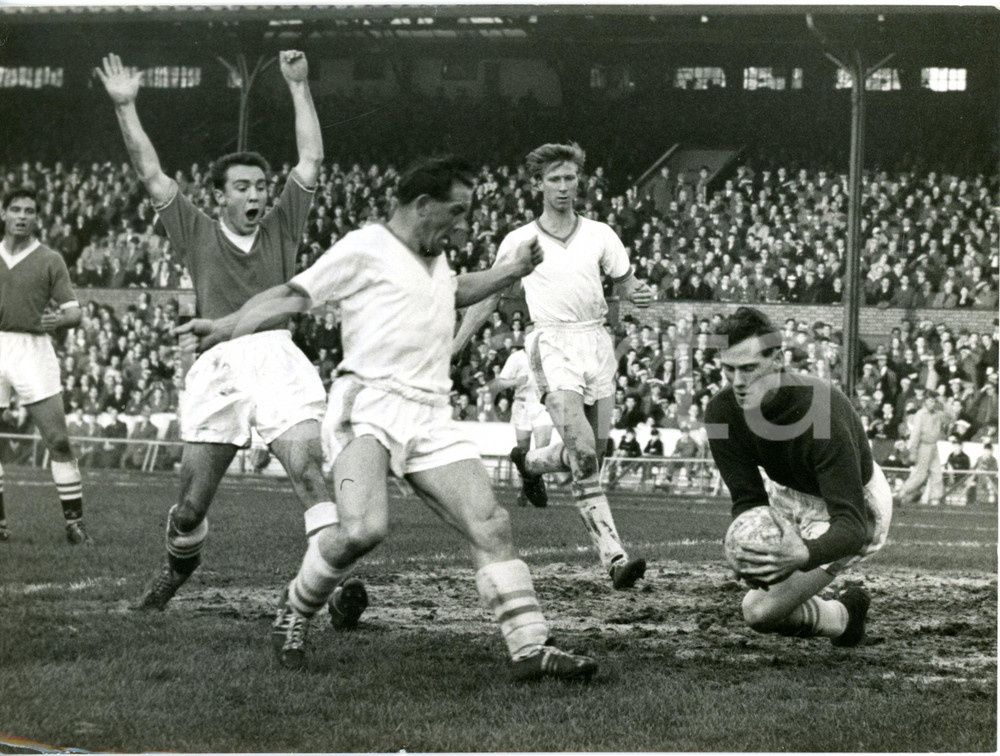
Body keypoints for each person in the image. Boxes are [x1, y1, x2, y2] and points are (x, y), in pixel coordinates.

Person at [175, 156, 598, 680]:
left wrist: (510, 271)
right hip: (366, 411)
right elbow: (291, 294)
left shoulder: (433, 255)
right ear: (422, 207)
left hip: (428, 413)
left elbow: (452, 290)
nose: (465, 224)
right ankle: (295, 607)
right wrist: (228, 324)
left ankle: (530, 648)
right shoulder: (365, 248)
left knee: (491, 521)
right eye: (457, 212)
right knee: (362, 529)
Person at [97, 51, 352, 612]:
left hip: (279, 357)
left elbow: (310, 157)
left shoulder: (284, 222)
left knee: (310, 471)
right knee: (189, 508)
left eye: (261, 185)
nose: (257, 195)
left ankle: (328, 586)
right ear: (220, 195)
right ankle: (174, 572)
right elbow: (149, 171)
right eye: (243, 187)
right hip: (220, 363)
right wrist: (126, 107)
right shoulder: (195, 230)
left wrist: (299, 85)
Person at [454, 142, 651, 591]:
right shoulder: (521, 242)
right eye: (554, 179)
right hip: (551, 341)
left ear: (579, 180)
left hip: (597, 341)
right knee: (583, 452)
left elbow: (626, 282)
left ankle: (530, 463)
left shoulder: (602, 234)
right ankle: (615, 559)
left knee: (592, 455)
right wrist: (458, 342)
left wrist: (639, 293)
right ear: (538, 185)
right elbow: (488, 294)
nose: (563, 186)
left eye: (569, 178)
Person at [705, 307, 893, 647]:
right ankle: (846, 620)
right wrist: (746, 546)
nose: (737, 381)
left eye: (749, 368)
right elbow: (748, 500)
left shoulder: (822, 410)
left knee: (759, 611)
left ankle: (846, 615)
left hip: (854, 505)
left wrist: (805, 553)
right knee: (764, 601)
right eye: (728, 369)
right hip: (786, 493)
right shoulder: (720, 411)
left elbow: (850, 524)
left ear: (777, 360)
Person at [0, 188, 91, 545]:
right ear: (4, 213)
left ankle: (74, 523)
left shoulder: (50, 259)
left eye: (30, 211)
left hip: (33, 348)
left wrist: (61, 320)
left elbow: (74, 311)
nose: (22, 216)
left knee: (58, 440)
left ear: (38, 218)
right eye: (16, 210)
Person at [494, 338, 554, 507]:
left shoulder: (549, 355)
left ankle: (530, 492)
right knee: (523, 453)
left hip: (542, 405)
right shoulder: (516, 357)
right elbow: (501, 382)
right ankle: (526, 488)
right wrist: (516, 382)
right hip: (522, 405)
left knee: (541, 450)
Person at [897, 394, 950, 507]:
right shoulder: (920, 414)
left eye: (934, 401)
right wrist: (913, 451)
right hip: (923, 446)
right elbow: (915, 434)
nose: (932, 404)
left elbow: (950, 418)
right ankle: (902, 492)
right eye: (930, 401)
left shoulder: (937, 414)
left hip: (933, 446)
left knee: (937, 472)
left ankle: (936, 498)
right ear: (925, 402)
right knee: (920, 475)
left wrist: (945, 403)